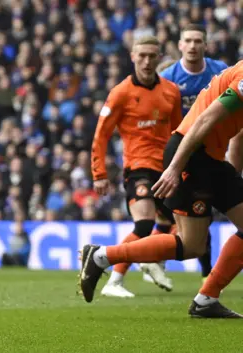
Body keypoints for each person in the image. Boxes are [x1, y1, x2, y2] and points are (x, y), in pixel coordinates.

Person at [79, 58, 243, 317]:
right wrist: (177, 168)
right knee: (191, 245)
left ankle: (206, 299)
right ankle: (101, 256)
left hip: (210, 159)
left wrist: (233, 178)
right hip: (193, 155)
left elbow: (239, 133)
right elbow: (204, 119)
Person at [90, 35, 182, 298]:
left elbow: (178, 132)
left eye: (152, 56)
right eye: (141, 55)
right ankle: (114, 281)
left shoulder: (171, 91)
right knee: (144, 224)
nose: (147, 61)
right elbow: (101, 135)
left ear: (159, 57)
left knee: (176, 226)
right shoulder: (120, 93)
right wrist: (99, 173)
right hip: (138, 168)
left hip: (166, 168)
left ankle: (151, 261)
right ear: (132, 57)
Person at [159, 24, 228, 283]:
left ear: (205, 45)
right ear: (179, 45)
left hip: (211, 150)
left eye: (198, 41)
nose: (193, 46)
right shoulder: (169, 78)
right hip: (181, 150)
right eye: (188, 40)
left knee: (201, 213)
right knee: (190, 215)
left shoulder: (220, 71)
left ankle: (203, 271)